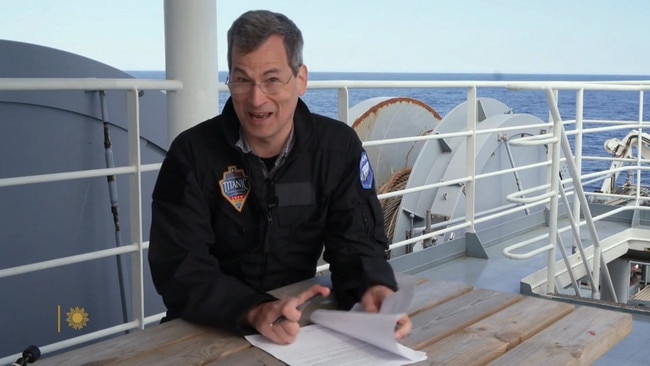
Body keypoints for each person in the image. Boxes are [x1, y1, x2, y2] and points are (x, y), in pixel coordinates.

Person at [148, 9, 411, 345]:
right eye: (242, 79)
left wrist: (373, 287)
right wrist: (253, 309)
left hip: (295, 326)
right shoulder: (192, 154)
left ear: (300, 79)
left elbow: (356, 243)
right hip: (206, 325)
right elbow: (179, 267)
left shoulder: (338, 148)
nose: (256, 99)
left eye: (272, 79)